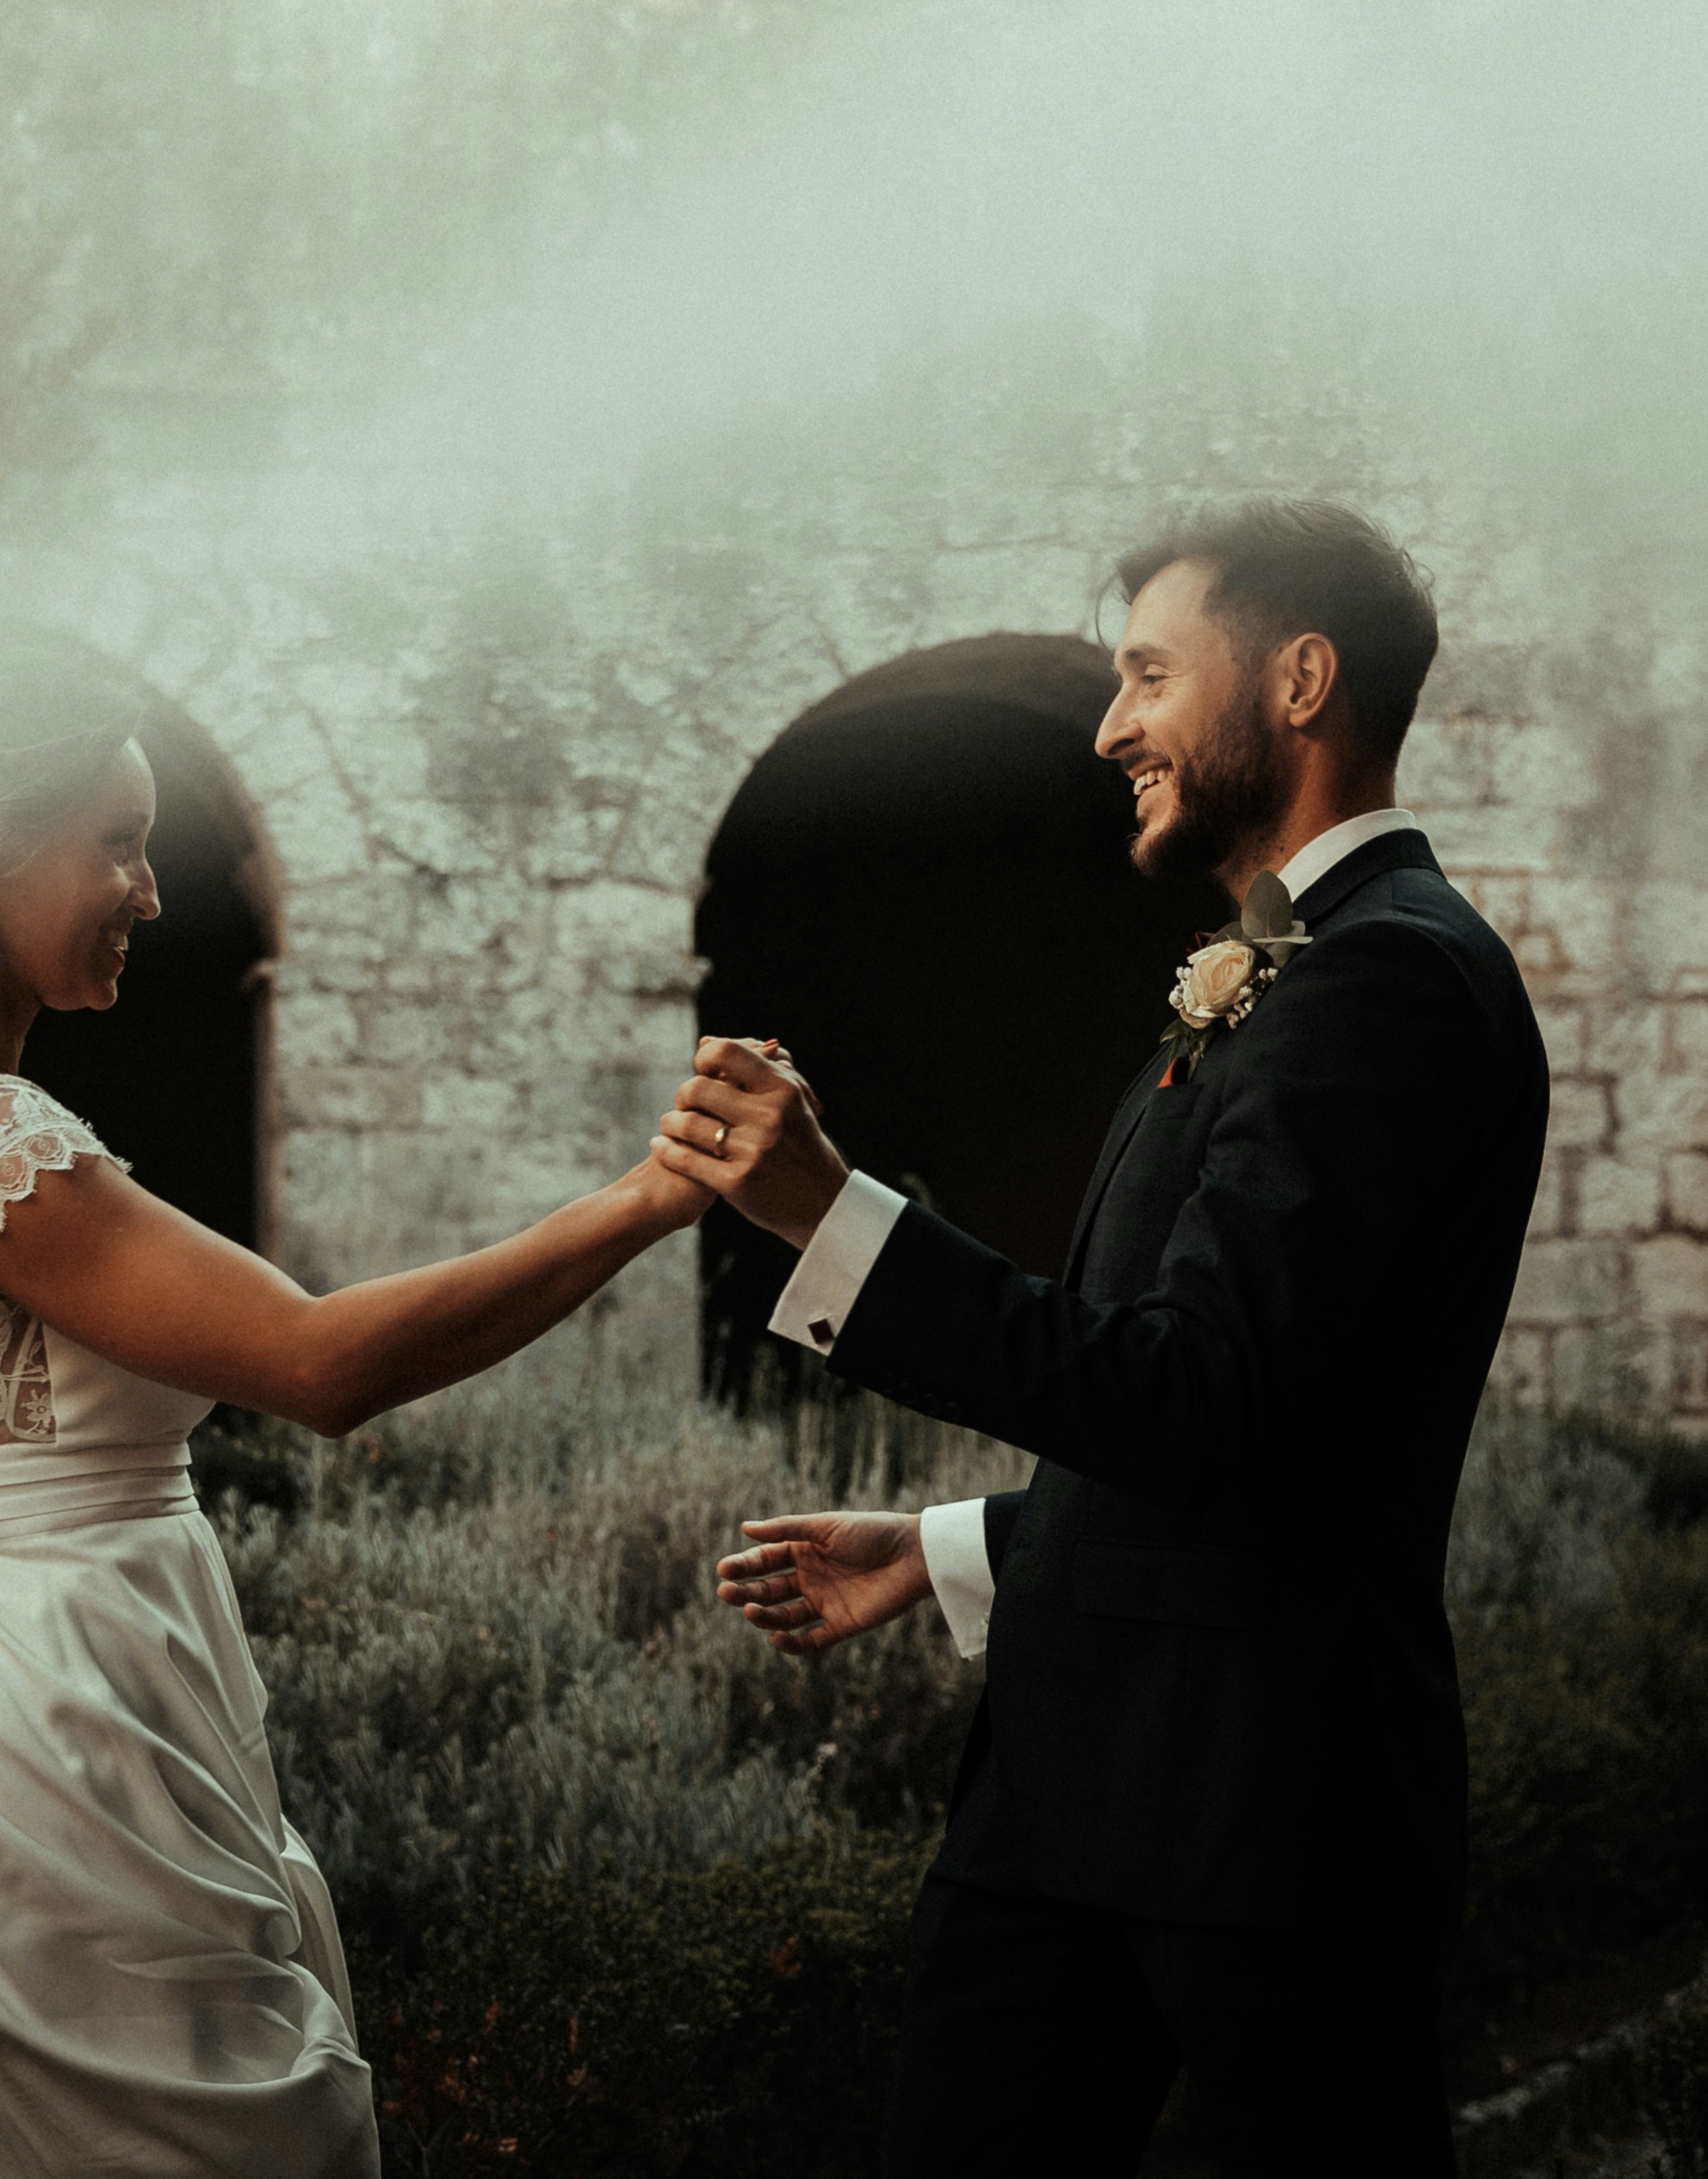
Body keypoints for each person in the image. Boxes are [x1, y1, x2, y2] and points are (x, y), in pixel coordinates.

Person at [658, 498, 1548, 2176]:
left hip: (1269, 1827)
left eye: (1149, 675)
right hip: (1077, 1801)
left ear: (1297, 680)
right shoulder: (1280, 962)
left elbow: (1199, 1397)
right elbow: (1264, 1436)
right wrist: (951, 1546)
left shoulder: (1391, 982)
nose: (1108, 725)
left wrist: (830, 1216)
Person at [0, 639, 710, 2179]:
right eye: (119, 844)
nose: (149, 891)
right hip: (58, 1745)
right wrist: (645, 1200)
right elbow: (319, 1363)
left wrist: (17, 1648)